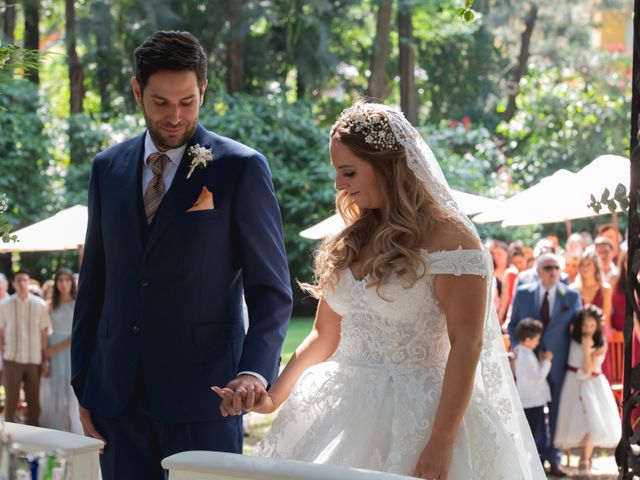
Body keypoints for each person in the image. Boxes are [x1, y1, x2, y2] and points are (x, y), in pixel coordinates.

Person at [214, 103, 545, 479]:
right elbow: (324, 335)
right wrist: (274, 396)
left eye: (349, 172)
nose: (339, 185)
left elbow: (467, 343)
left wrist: (441, 439)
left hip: (421, 415)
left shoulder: (452, 240)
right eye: (338, 173)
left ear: (387, 165)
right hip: (341, 409)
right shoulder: (351, 238)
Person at [71, 31, 292, 480]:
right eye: (161, 102)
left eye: (187, 102)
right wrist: (85, 386)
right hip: (118, 397)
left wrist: (254, 371)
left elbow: (271, 290)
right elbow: (95, 282)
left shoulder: (241, 168)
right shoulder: (106, 169)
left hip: (207, 397)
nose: (175, 116)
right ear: (137, 91)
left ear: (203, 91)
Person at [509, 253, 582, 477]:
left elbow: (578, 329)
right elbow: (513, 326)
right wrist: (519, 350)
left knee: (559, 409)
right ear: (538, 271)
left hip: (559, 362)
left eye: (556, 268)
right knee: (534, 411)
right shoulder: (523, 293)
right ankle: (537, 458)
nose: (552, 271)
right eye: (548, 267)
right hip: (530, 365)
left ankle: (555, 457)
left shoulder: (570, 295)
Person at [554, 305, 621, 476]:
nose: (587, 330)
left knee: (593, 421)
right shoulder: (572, 339)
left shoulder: (599, 343)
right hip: (573, 383)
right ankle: (571, 458)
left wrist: (587, 348)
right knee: (575, 420)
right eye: (584, 326)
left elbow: (588, 369)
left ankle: (585, 460)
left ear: (598, 326)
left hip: (593, 384)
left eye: (591, 326)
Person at [0, 270, 51, 425]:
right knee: (11, 401)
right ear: (14, 283)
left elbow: (44, 334)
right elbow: (0, 332)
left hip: (33, 359)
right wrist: (3, 356)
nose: (22, 283)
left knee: (34, 401)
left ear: (29, 282)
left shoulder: (40, 305)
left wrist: (45, 360)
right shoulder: (4, 305)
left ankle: (33, 435)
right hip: (12, 359)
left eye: (25, 280)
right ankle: (9, 437)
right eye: (19, 280)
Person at [39, 268, 82, 433]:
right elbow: (44, 332)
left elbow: (80, 333)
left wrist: (56, 348)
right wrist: (45, 358)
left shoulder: (79, 303)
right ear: (56, 283)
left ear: (72, 282)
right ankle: (59, 430)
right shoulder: (49, 305)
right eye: (60, 281)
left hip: (73, 351)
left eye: (67, 280)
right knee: (56, 392)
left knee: (73, 392)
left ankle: (76, 430)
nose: (64, 284)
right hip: (54, 355)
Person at [513, 318, 552, 438]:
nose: (538, 342)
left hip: (527, 399)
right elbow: (539, 376)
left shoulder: (520, 351)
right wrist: (547, 361)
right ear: (528, 340)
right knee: (531, 434)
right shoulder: (527, 356)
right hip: (532, 400)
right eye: (537, 339)